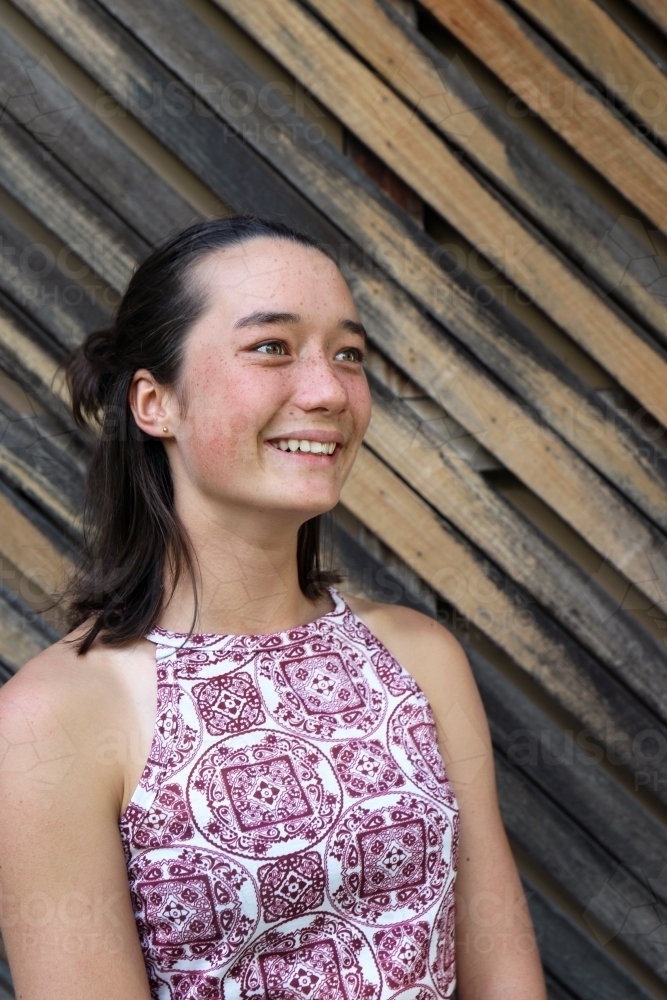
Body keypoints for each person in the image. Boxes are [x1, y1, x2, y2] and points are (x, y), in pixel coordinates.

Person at [0, 217, 545, 999]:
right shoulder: (56, 716)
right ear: (156, 403)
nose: (327, 391)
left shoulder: (419, 659)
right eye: (271, 348)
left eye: (347, 355)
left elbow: (503, 977)